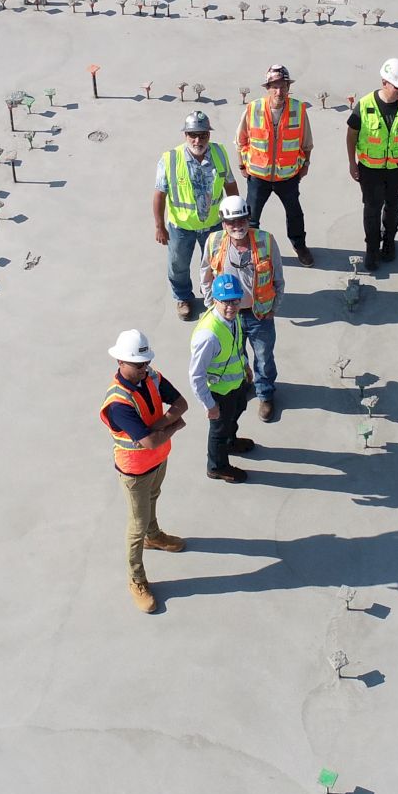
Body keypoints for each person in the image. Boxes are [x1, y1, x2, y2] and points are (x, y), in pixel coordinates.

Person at [99, 329, 190, 613]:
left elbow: (181, 403)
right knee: (135, 526)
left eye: (145, 362)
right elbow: (149, 440)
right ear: (120, 362)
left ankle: (155, 535)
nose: (144, 368)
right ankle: (136, 579)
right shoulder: (118, 403)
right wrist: (172, 425)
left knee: (154, 498)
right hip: (135, 470)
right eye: (138, 364)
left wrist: (161, 428)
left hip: (158, 460)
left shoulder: (151, 377)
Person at [200, 194, 285, 421]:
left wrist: (273, 307)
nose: (237, 226)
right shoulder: (214, 242)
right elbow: (206, 276)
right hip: (229, 316)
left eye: (241, 220)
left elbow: (278, 277)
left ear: (248, 219)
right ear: (223, 223)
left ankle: (265, 394)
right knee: (237, 354)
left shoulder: (266, 241)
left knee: (264, 357)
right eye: (231, 222)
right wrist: (212, 307)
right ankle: (245, 383)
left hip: (260, 314)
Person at [153, 109, 239, 320]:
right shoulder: (170, 159)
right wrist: (159, 226)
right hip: (181, 227)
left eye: (203, 134)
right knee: (178, 265)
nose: (198, 139)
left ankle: (213, 296)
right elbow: (159, 195)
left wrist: (234, 217)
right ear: (185, 135)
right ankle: (183, 297)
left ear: (209, 135)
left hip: (214, 225)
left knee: (215, 263)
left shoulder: (219, 153)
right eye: (193, 134)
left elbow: (230, 185)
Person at [347, 58, 398, 272]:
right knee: (372, 208)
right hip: (370, 169)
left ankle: (388, 242)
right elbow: (351, 135)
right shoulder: (364, 105)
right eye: (397, 87)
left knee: (392, 205)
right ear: (384, 82)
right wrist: (351, 163)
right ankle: (371, 248)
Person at [235, 64, 315, 267]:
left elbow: (306, 143)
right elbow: (241, 139)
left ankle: (299, 246)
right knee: (251, 217)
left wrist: (305, 164)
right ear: (268, 88)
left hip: (288, 177)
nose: (279, 91)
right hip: (258, 176)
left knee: (295, 213)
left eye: (283, 86)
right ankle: (249, 250)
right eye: (274, 87)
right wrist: (242, 165)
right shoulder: (253, 108)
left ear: (288, 87)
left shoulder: (298, 109)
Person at [188, 272, 253, 483]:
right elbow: (196, 375)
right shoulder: (208, 336)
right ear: (215, 300)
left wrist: (245, 366)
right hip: (218, 392)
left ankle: (230, 441)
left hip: (235, 384)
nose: (230, 307)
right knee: (219, 428)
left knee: (237, 411)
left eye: (234, 301)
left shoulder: (233, 319)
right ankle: (217, 466)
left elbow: (236, 346)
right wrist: (209, 405)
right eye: (224, 302)